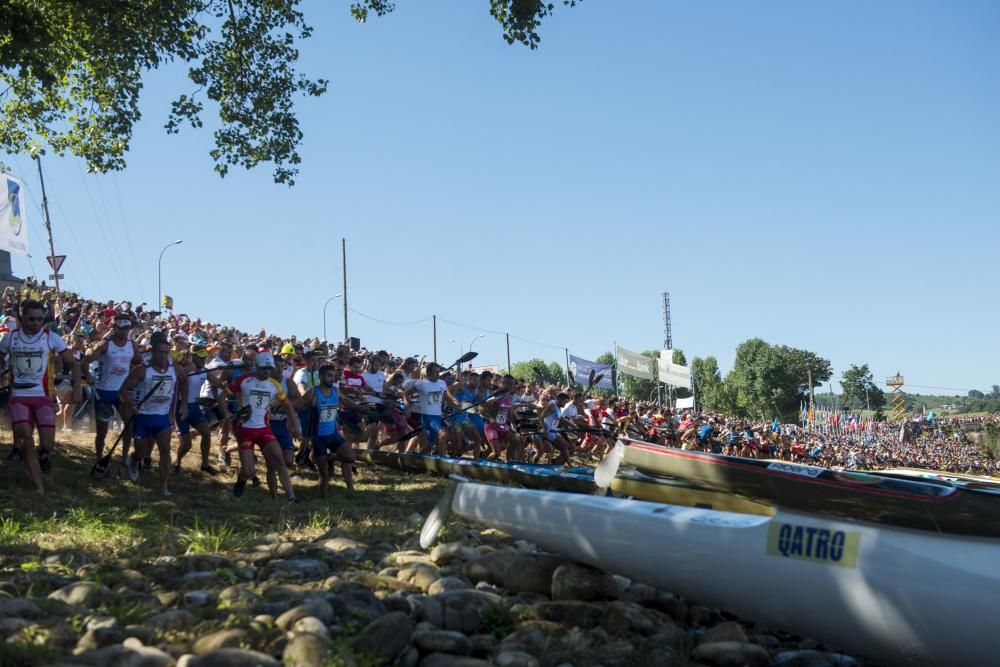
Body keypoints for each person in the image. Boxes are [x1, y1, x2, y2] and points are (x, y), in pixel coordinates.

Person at [0, 300, 81, 493]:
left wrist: (77, 388)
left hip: (42, 397)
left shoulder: (51, 337)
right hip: (19, 396)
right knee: (26, 440)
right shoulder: (10, 339)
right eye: (31, 319)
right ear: (22, 318)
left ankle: (42, 455)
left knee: (47, 444)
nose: (35, 323)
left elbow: (74, 363)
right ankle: (39, 486)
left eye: (39, 319)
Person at [119, 331, 187, 495]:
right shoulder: (142, 370)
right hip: (142, 416)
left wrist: (184, 404)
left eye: (166, 352)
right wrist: (130, 405)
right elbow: (123, 388)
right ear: (153, 351)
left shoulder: (175, 368)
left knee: (165, 451)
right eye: (160, 352)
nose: (163, 356)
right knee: (141, 452)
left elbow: (184, 382)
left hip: (161, 417)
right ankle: (135, 461)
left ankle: (164, 486)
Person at [228, 351, 301, 502]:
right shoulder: (243, 380)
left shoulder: (274, 385)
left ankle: (291, 498)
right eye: (263, 369)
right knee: (249, 471)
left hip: (263, 429)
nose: (267, 372)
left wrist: (296, 426)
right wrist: (226, 414)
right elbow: (223, 395)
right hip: (245, 430)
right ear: (256, 366)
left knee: (280, 462)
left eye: (269, 369)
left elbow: (288, 405)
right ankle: (242, 478)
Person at [84, 314, 142, 463]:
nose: (124, 332)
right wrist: (88, 376)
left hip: (121, 391)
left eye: (127, 328)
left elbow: (139, 364)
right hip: (103, 391)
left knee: (129, 424)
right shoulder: (105, 344)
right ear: (114, 328)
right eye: (121, 328)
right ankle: (99, 458)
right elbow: (85, 362)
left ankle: (124, 457)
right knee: (102, 431)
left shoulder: (132, 345)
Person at [302, 364, 364, 495]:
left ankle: (329, 458)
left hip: (333, 434)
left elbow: (348, 402)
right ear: (321, 376)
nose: (332, 378)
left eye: (333, 376)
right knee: (324, 474)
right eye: (329, 376)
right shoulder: (313, 392)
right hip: (318, 437)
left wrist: (363, 409)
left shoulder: (336, 391)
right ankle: (322, 500)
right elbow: (299, 407)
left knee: (350, 457)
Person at [174, 344, 219, 475]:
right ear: (193, 356)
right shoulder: (185, 369)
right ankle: (177, 462)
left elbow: (217, 382)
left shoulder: (204, 370)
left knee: (206, 433)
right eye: (200, 358)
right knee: (187, 445)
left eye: (204, 358)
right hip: (181, 407)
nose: (202, 360)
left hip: (194, 407)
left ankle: (205, 464)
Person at [403, 362, 458, 455]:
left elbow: (445, 398)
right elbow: (406, 393)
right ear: (428, 373)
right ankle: (443, 461)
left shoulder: (442, 383)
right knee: (443, 434)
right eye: (435, 372)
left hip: (438, 416)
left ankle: (417, 459)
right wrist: (407, 406)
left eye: (438, 372)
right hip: (427, 417)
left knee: (429, 445)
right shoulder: (422, 384)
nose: (438, 374)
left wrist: (456, 405)